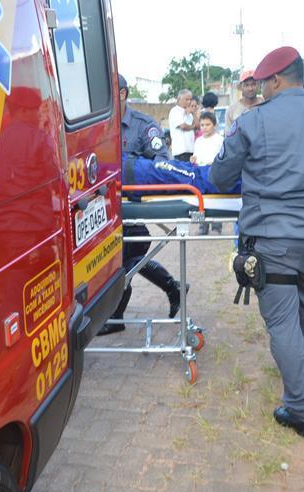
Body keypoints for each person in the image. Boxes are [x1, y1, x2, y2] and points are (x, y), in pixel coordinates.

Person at [210, 47, 304, 437]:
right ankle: (303, 365)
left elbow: (220, 176)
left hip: (273, 239)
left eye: (264, 83)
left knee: (282, 322)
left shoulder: (254, 122)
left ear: (274, 80)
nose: (261, 89)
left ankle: (303, 409)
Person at [98, 75, 185, 336]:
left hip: (131, 207)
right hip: (105, 208)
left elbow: (161, 161)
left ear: (122, 94)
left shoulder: (142, 126)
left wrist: (130, 168)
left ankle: (116, 315)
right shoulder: (99, 127)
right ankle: (171, 287)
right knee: (124, 255)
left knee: (129, 251)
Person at [193, 111, 225, 235]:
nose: (204, 127)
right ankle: (202, 227)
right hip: (200, 173)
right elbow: (195, 155)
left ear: (214, 125)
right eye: (202, 125)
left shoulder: (220, 140)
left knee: (215, 200)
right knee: (199, 200)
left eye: (208, 124)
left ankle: (216, 227)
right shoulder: (198, 141)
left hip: (214, 173)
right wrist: (193, 159)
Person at [168, 89, 196, 162]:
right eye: (186, 99)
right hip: (181, 151)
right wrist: (193, 127)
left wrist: (193, 113)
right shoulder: (175, 111)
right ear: (179, 99)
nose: (189, 102)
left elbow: (198, 126)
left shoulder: (189, 113)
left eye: (190, 99)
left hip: (191, 150)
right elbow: (183, 126)